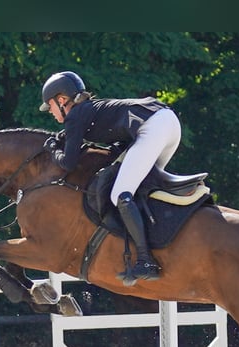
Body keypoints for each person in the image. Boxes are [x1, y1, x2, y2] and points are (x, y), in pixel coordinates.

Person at [39, 70, 182, 284]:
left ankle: (146, 260)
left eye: (49, 105)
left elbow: (68, 163)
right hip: (167, 123)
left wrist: (52, 149)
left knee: (120, 195)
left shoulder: (76, 115)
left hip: (154, 126)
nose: (50, 111)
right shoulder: (87, 111)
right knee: (139, 189)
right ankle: (160, 242)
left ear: (61, 100)